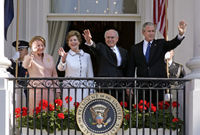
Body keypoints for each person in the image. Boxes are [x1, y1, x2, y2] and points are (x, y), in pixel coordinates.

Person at [127, 21, 187, 104]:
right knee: (143, 112)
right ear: (143, 32)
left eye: (153, 31)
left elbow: (172, 44)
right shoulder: (135, 48)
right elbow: (131, 68)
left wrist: (180, 34)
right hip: (142, 86)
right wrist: (129, 86)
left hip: (159, 85)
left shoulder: (160, 44)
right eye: (149, 31)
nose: (151, 33)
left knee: (159, 112)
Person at [83, 29, 128, 102]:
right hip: (105, 86)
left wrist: (127, 86)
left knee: (119, 109)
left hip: (119, 87)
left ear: (117, 39)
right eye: (108, 37)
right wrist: (89, 41)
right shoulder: (101, 48)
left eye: (112, 37)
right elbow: (94, 47)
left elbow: (125, 68)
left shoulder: (123, 51)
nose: (110, 39)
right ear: (105, 39)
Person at [57, 30, 94, 108]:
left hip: (84, 89)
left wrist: (91, 90)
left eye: (75, 40)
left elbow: (90, 74)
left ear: (79, 42)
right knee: (69, 110)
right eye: (70, 40)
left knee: (83, 111)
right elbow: (60, 68)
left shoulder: (87, 56)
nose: (73, 42)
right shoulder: (66, 55)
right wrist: (63, 59)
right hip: (70, 88)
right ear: (68, 43)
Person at [23, 36, 59, 114]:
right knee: (36, 112)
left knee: (50, 112)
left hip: (49, 89)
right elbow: (25, 65)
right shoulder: (29, 57)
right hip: (36, 90)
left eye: (42, 45)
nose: (40, 47)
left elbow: (54, 74)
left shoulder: (50, 58)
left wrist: (57, 90)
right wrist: (31, 54)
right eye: (38, 45)